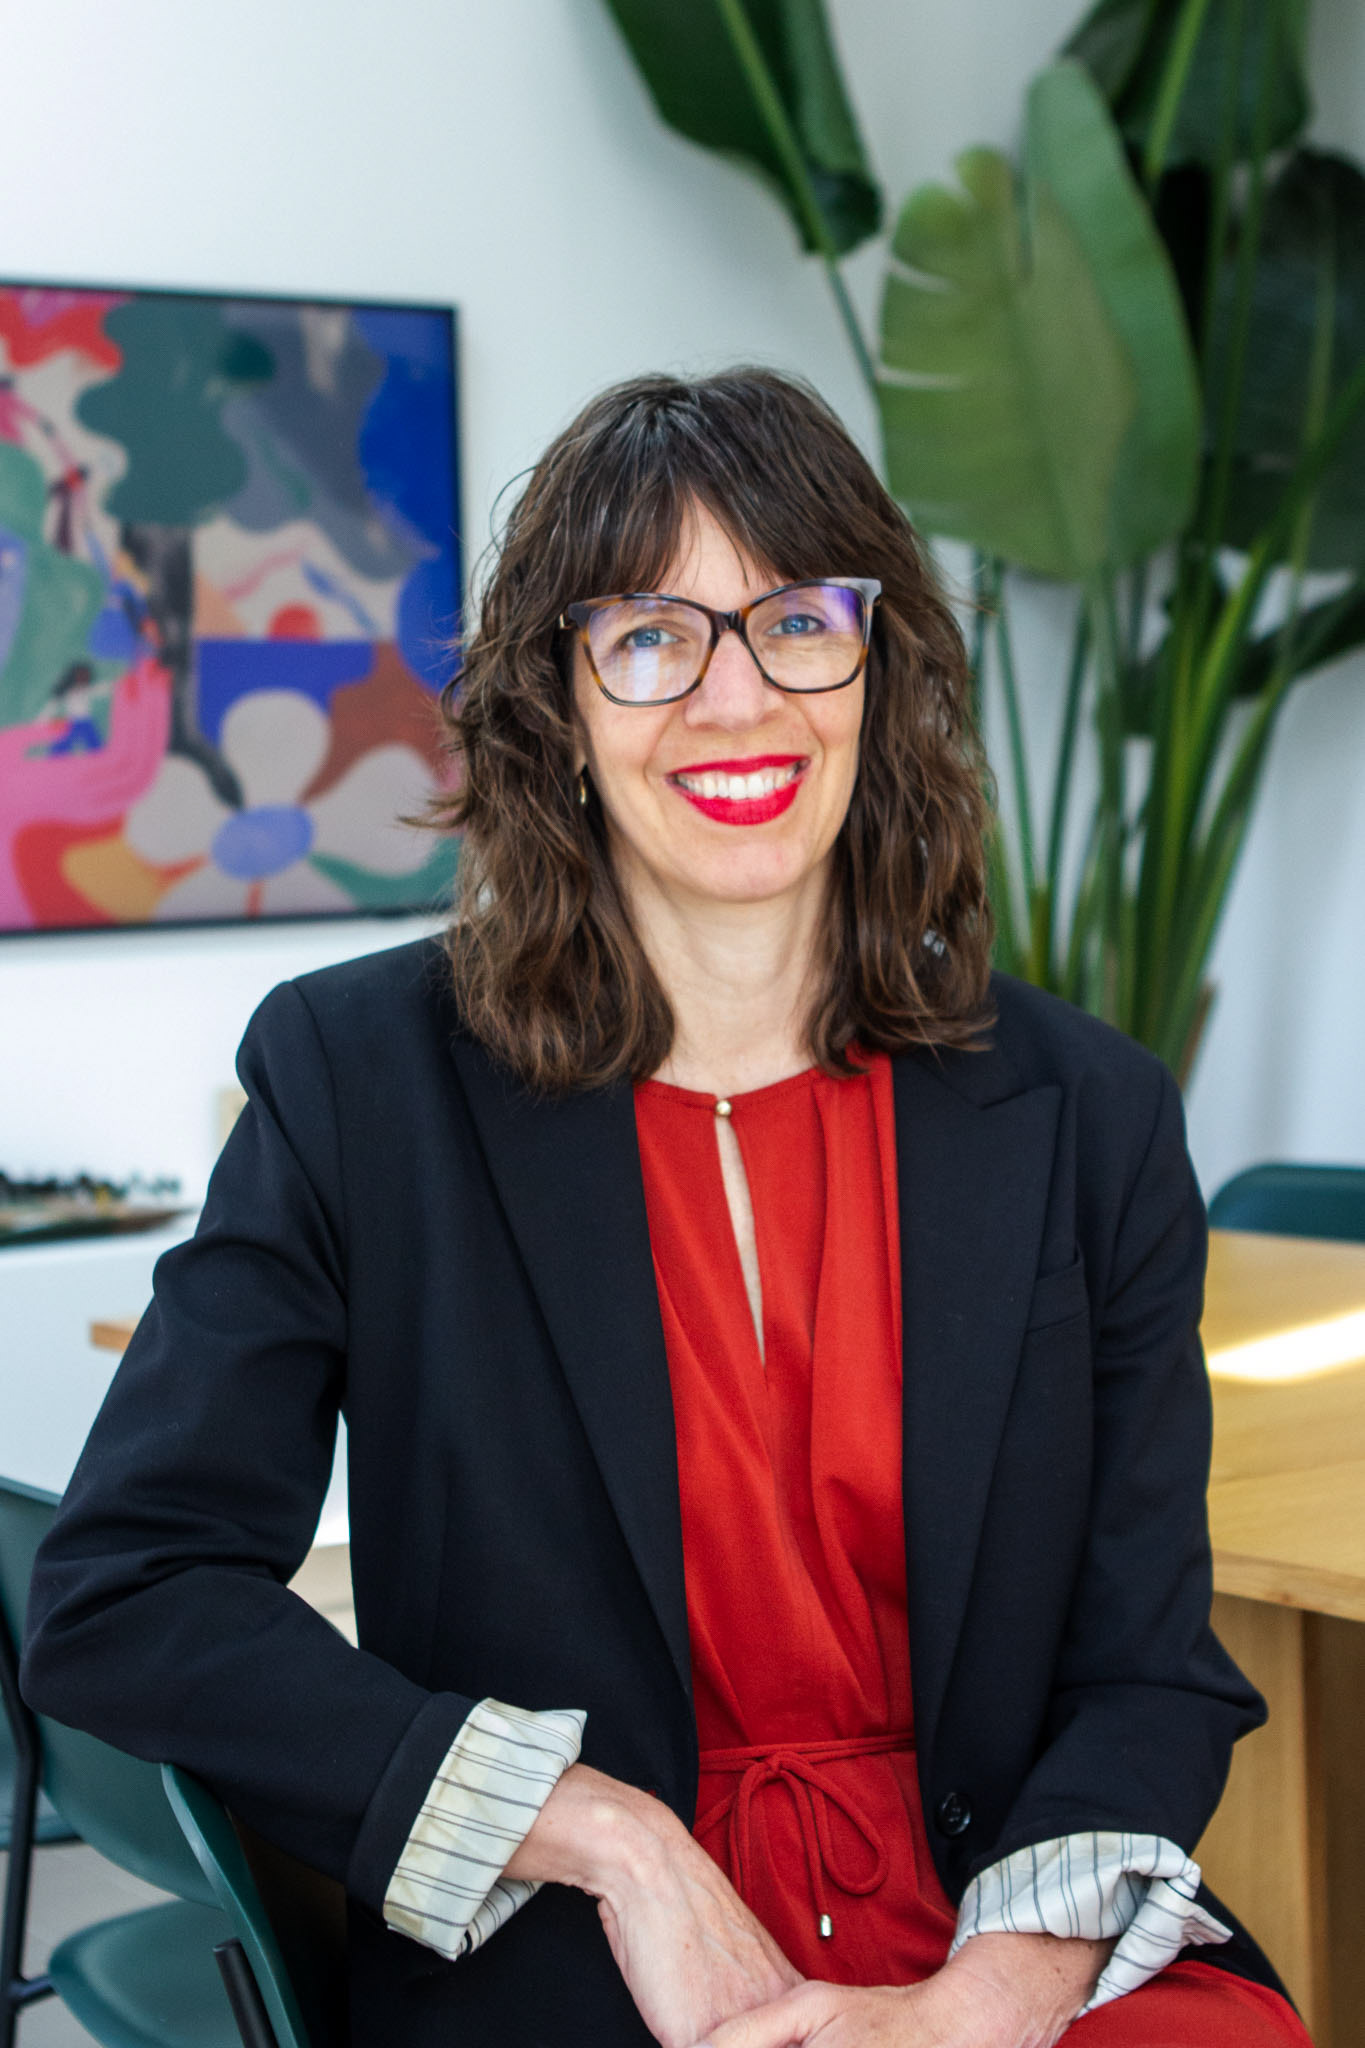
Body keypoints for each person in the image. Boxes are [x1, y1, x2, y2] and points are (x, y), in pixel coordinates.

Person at [22, 370, 1311, 2048]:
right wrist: (607, 1838)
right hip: (584, 1949)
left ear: (877, 669)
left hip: (998, 1922)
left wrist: (980, 2005)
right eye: (649, 636)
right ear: (558, 703)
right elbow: (129, 1592)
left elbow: (1147, 1667)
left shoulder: (1092, 1113)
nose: (735, 699)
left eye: (795, 623)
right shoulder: (360, 1080)